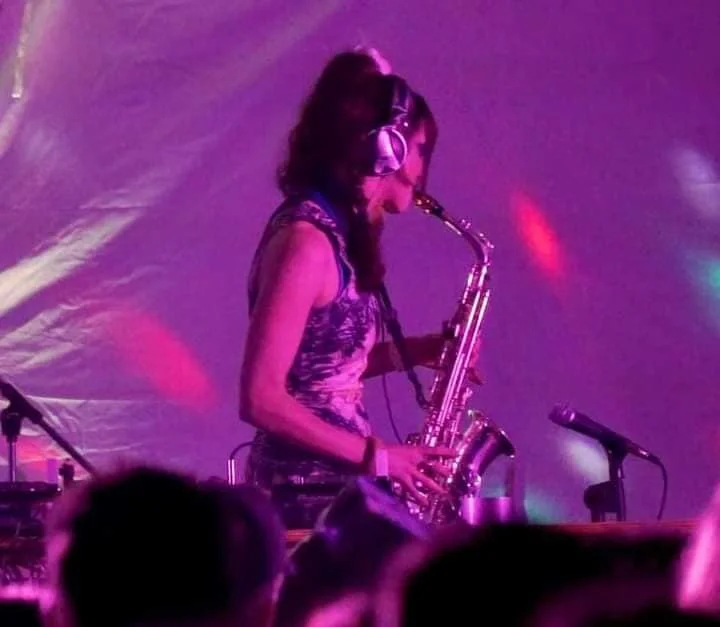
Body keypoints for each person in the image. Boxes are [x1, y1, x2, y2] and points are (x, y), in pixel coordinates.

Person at [239, 48, 455, 527]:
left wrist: (423, 350)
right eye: (420, 149)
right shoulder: (306, 244)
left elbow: (320, 371)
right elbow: (260, 397)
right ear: (387, 148)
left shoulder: (336, 235)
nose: (422, 168)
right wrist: (379, 458)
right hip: (301, 504)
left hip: (333, 496)